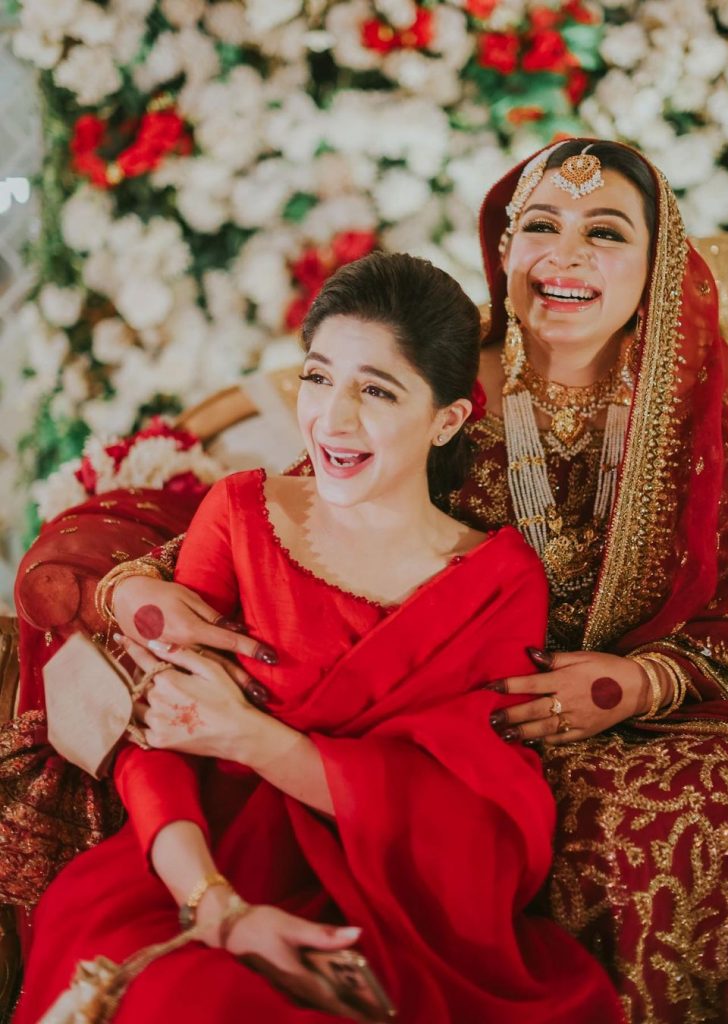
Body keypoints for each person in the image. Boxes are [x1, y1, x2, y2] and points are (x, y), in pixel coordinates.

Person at [95, 140, 728, 1023]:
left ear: (657, 265)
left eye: (605, 232)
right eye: (540, 224)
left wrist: (636, 681)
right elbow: (294, 516)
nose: (566, 253)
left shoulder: (688, 411)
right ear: (505, 248)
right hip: (439, 728)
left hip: (628, 716)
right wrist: (133, 592)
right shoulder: (426, 380)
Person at [14, 253, 623, 1023]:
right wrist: (217, 908)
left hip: (395, 904)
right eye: (316, 377)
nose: (332, 419)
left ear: (447, 419)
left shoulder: (497, 580)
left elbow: (465, 820)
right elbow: (152, 738)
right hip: (194, 870)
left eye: (376, 390)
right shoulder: (240, 513)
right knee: (190, 1000)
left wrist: (250, 738)